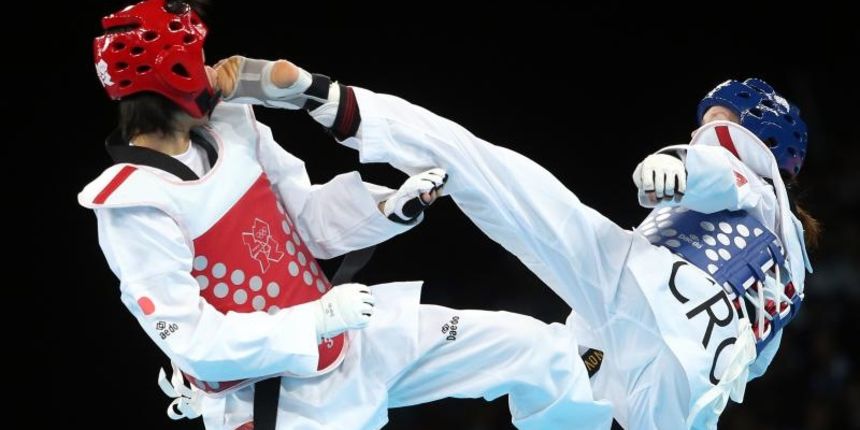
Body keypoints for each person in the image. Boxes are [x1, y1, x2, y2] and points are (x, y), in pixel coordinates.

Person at [79, 1, 614, 429]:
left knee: (536, 351)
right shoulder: (133, 204)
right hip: (278, 401)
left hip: (353, 336)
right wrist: (317, 319)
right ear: (175, 73)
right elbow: (194, 344)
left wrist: (387, 208)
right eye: (200, 56)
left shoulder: (233, 127)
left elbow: (307, 219)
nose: (214, 67)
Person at [220, 54, 818, 428]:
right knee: (538, 365)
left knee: (492, 175)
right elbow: (752, 369)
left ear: (764, 137)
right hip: (679, 388)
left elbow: (718, 173)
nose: (700, 129)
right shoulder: (794, 267)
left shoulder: (753, 180)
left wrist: (681, 166)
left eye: (717, 121)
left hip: (649, 292)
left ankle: (338, 102)